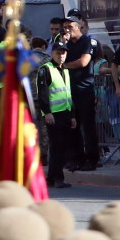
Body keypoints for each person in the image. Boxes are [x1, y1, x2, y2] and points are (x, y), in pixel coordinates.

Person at [61, 11, 100, 170]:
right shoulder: (65, 44)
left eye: (70, 26)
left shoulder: (88, 41)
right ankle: (75, 158)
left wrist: (65, 66)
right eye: (64, 27)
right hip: (69, 91)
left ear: (79, 27)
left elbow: (84, 62)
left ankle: (92, 159)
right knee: (72, 126)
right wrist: (63, 45)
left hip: (84, 89)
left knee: (87, 126)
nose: (67, 30)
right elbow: (55, 60)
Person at [37, 41, 75, 189]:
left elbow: (68, 94)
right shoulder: (46, 69)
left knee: (60, 147)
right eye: (58, 52)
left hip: (65, 112)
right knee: (57, 147)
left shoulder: (65, 70)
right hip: (54, 114)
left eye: (63, 52)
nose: (61, 55)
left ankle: (51, 178)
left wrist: (72, 115)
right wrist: (47, 112)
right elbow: (43, 94)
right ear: (52, 53)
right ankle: (58, 177)